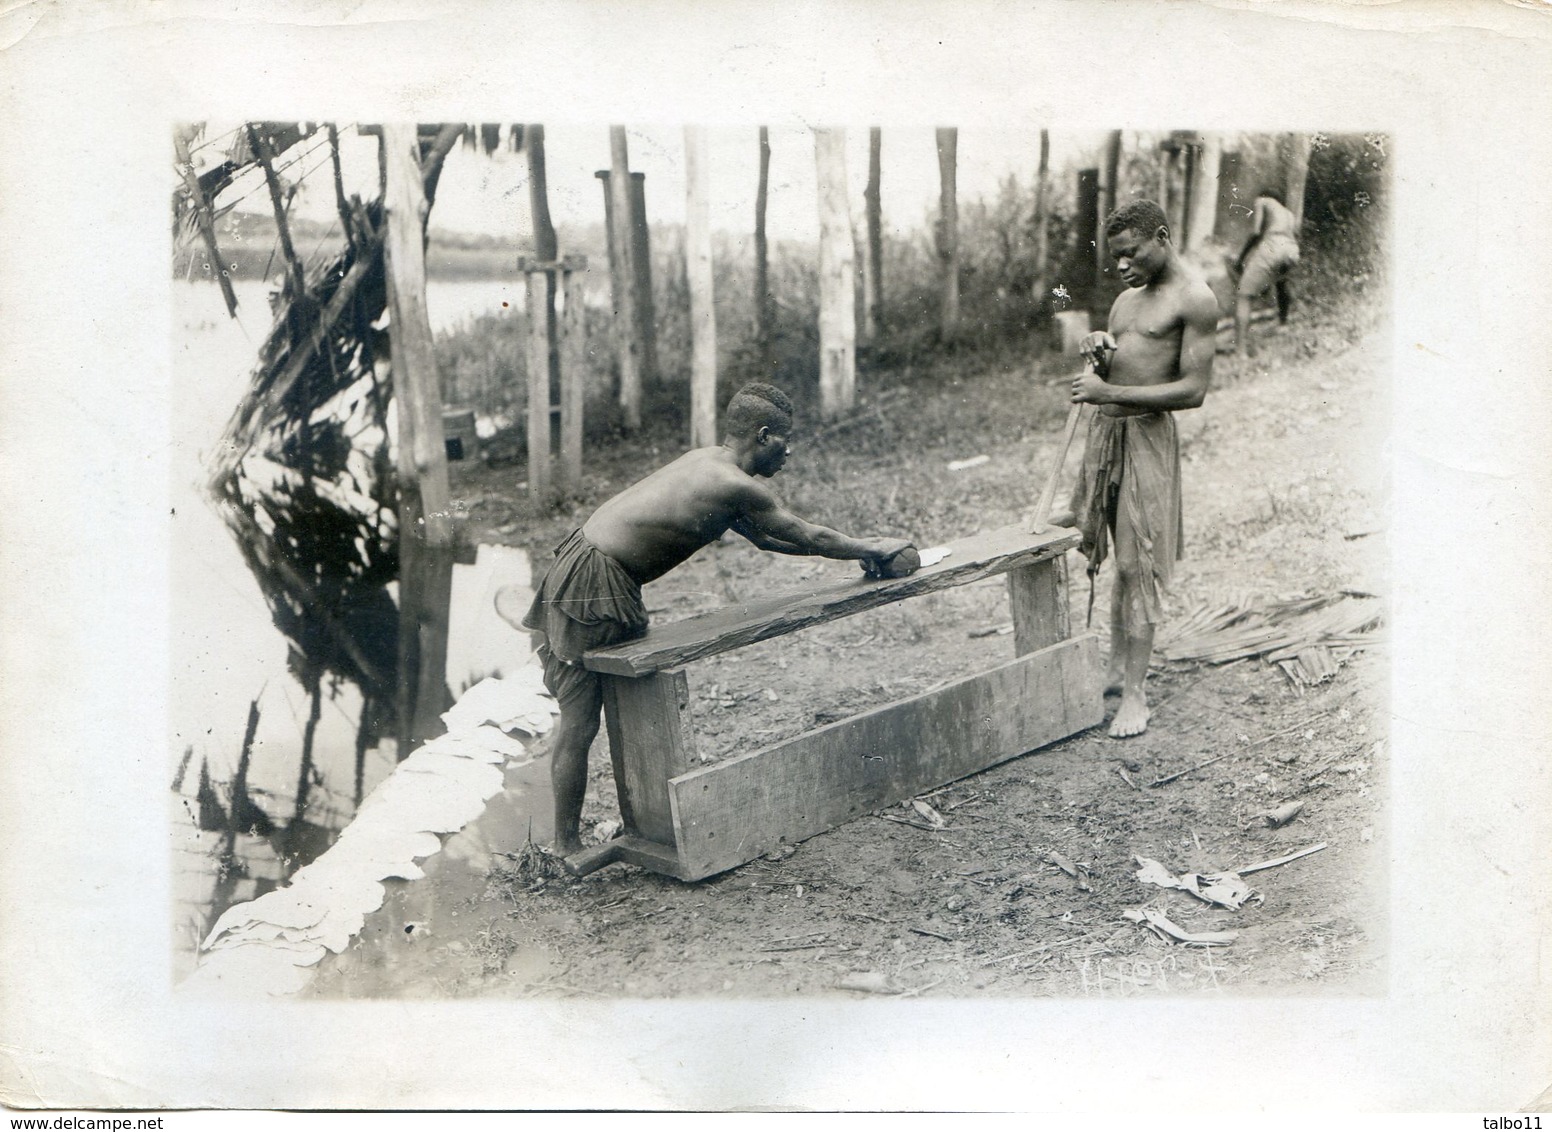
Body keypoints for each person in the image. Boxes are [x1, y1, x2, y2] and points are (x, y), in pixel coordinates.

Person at [516, 382, 916, 855]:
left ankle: (622, 827)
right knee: (581, 718)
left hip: (585, 563)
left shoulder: (708, 461)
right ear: (764, 436)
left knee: (599, 705)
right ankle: (569, 845)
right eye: (786, 438)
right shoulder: (732, 484)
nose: (790, 450)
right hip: (594, 580)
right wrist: (874, 546)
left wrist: (856, 557)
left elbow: (770, 540)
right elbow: (806, 533)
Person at [1050, 200, 1217, 738]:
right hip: (1108, 438)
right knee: (1115, 559)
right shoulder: (1125, 302)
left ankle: (1137, 694)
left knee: (1137, 563)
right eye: (1115, 257)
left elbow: (1193, 391)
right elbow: (1116, 362)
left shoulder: (1195, 299)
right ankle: (1118, 671)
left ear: (1162, 237)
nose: (1121, 266)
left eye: (1131, 253)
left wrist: (1107, 391)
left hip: (1147, 436)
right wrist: (1097, 350)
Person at [1233, 187, 1301, 357]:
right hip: (1292, 249)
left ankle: (1240, 351)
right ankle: (1283, 325)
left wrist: (1241, 259)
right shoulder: (1287, 213)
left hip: (1274, 245)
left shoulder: (1262, 201)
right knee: (1281, 282)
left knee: (1243, 295)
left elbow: (1256, 232)